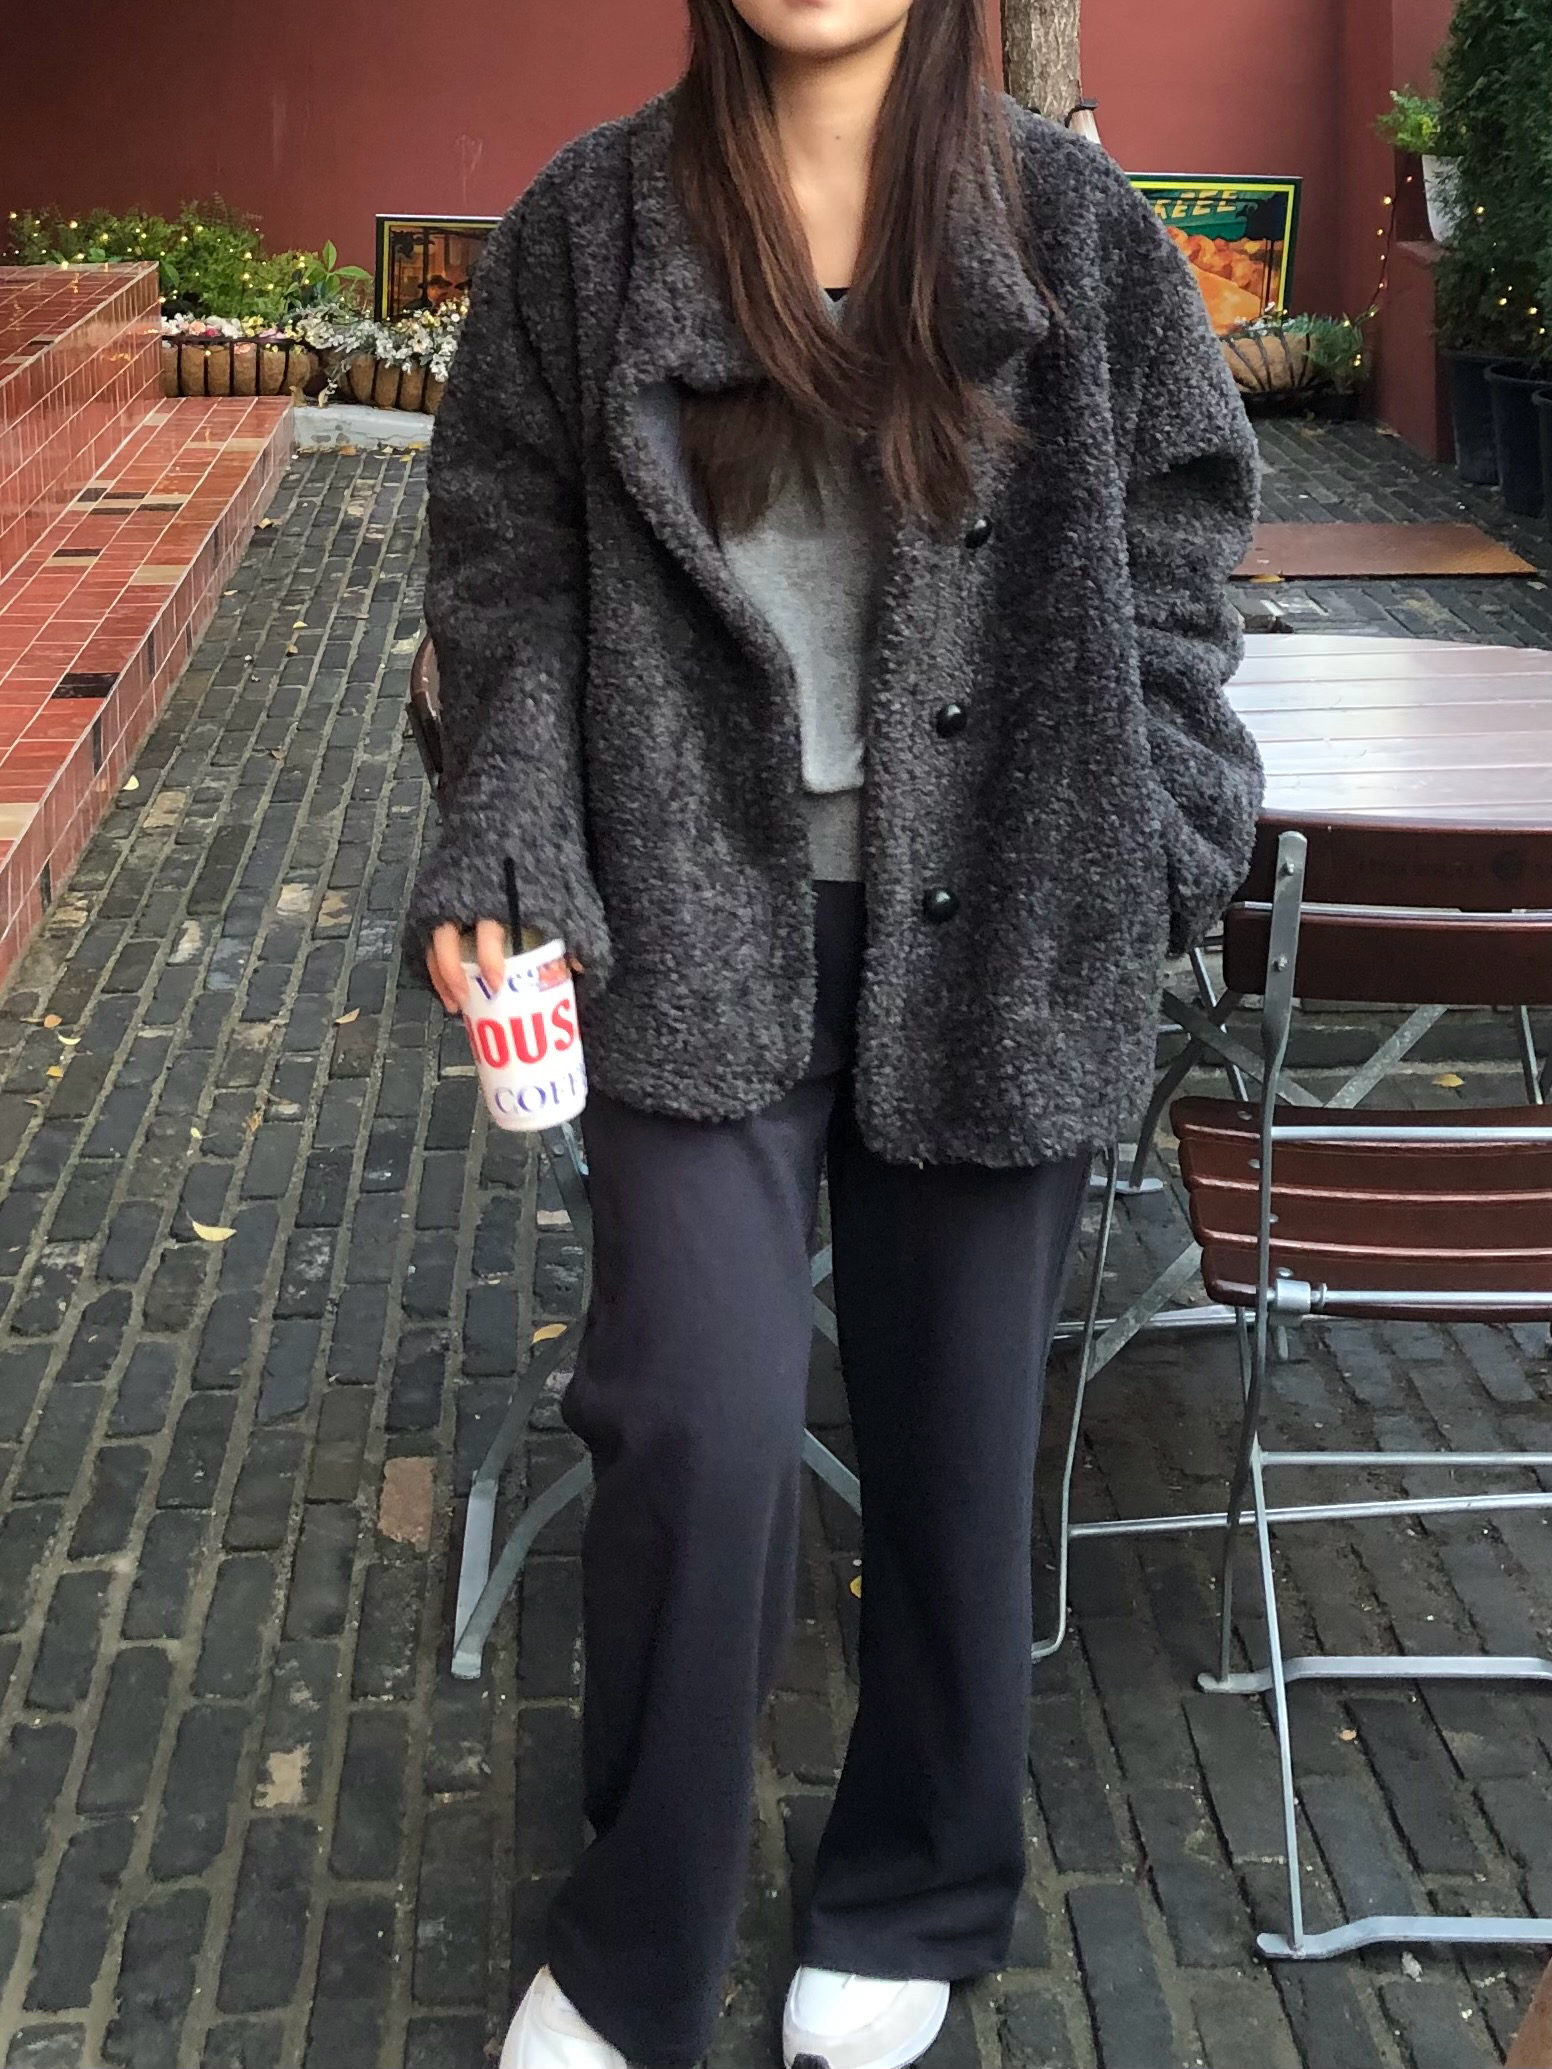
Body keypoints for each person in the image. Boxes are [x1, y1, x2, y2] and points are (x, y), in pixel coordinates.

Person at [408, 1, 1263, 2063]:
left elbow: (1181, 540)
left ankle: (919, 1881)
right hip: (689, 924)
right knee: (691, 1419)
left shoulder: (1072, 232)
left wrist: (1152, 824)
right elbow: (504, 572)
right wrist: (506, 837)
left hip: (1004, 923)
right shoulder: (588, 229)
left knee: (959, 1439)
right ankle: (633, 1942)